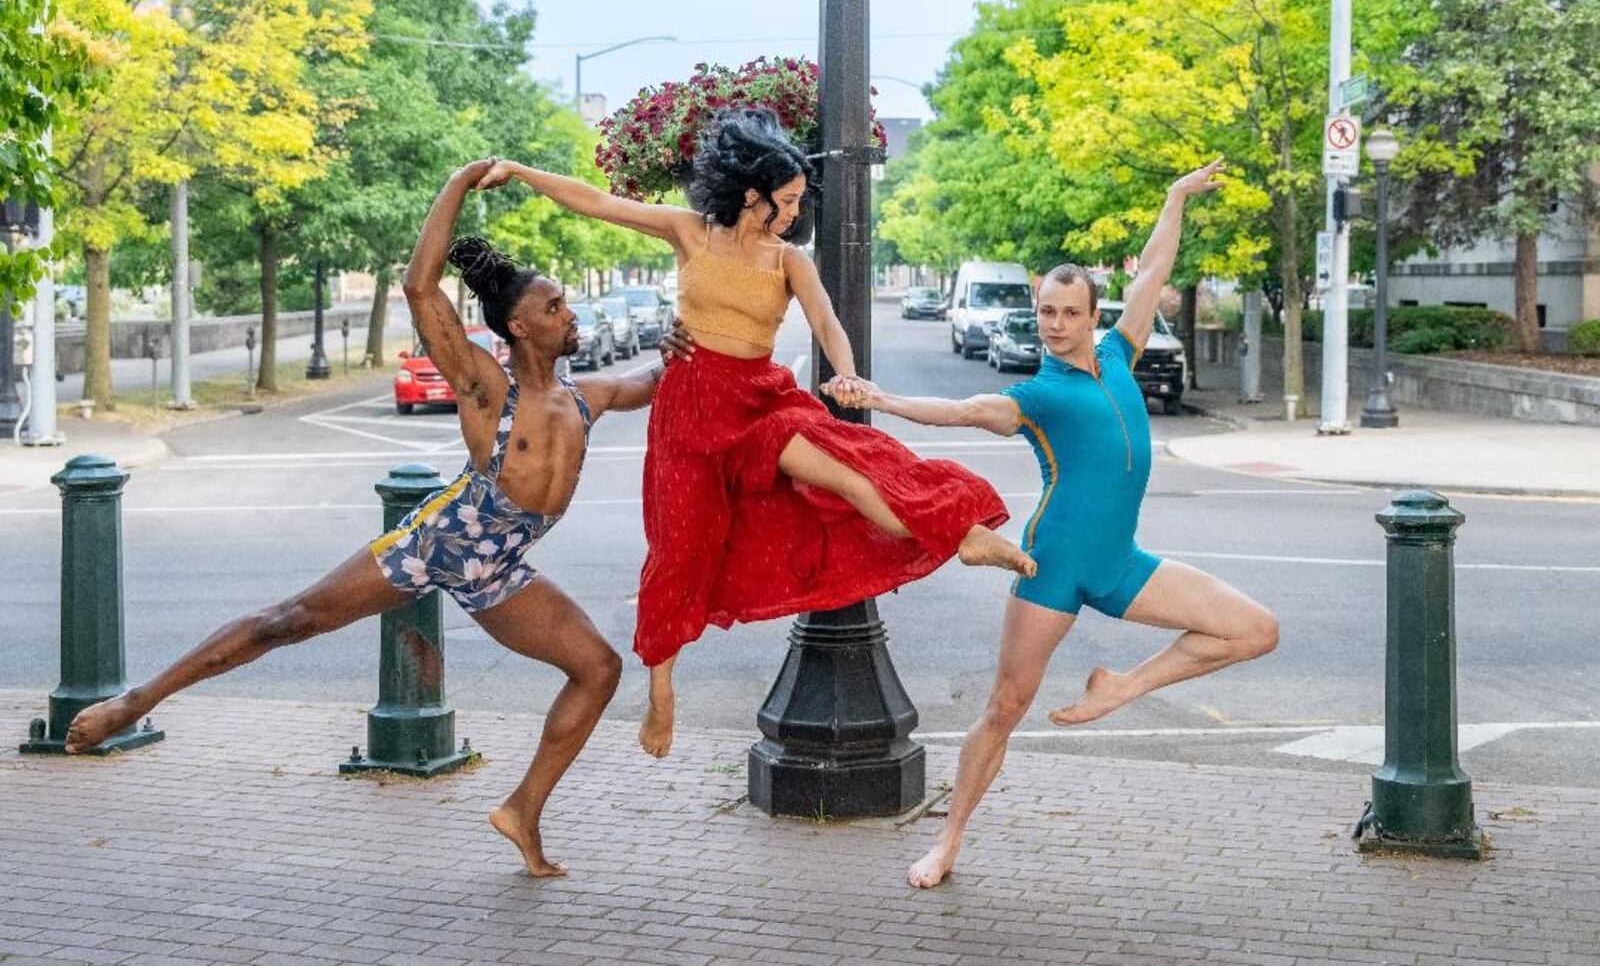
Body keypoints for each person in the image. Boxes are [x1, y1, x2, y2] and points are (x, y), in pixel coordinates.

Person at [64, 159, 664, 878]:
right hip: (438, 541)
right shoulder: (484, 384)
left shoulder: (586, 395)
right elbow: (419, 286)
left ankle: (521, 811)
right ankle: (135, 701)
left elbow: (649, 381)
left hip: (501, 571)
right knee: (288, 619)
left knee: (597, 668)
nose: (570, 314)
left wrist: (688, 350)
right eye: (557, 306)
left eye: (567, 304)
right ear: (518, 325)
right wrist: (459, 179)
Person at [474, 107, 1034, 759]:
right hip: (689, 410)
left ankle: (960, 535)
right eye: (787, 199)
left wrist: (849, 375)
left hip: (760, 402)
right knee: (682, 548)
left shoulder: (789, 260)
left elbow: (827, 323)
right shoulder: (690, 233)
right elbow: (599, 202)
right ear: (753, 194)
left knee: (853, 469)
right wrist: (517, 171)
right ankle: (661, 686)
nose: (795, 211)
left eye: (800, 200)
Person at [831, 159, 1280, 889]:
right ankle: (947, 843)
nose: (1057, 323)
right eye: (1046, 310)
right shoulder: (1040, 393)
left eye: (1070, 311)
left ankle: (1120, 688)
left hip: (1122, 563)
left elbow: (1154, 268)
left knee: (1255, 628)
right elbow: (965, 411)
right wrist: (876, 395)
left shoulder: (1118, 353)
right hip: (1053, 567)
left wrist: (1174, 198)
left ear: (1092, 316)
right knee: (1006, 705)